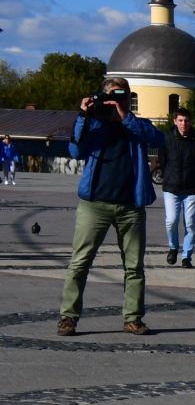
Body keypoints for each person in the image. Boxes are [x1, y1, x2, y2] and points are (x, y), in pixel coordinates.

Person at [57, 77, 165, 337]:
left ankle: (132, 318)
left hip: (131, 206)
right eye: (113, 96)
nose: (117, 100)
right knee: (80, 262)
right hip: (95, 204)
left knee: (134, 266)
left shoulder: (137, 125)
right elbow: (75, 150)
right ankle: (68, 318)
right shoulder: (94, 123)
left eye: (123, 95)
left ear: (129, 98)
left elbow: (159, 139)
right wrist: (83, 115)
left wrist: (126, 116)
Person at [157, 108, 195, 268]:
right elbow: (162, 159)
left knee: (190, 223)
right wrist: (168, 175)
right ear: (174, 121)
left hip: (192, 188)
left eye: (186, 120)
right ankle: (173, 247)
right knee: (171, 221)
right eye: (180, 120)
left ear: (191, 121)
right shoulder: (167, 138)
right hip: (171, 186)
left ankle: (186, 256)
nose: (183, 124)